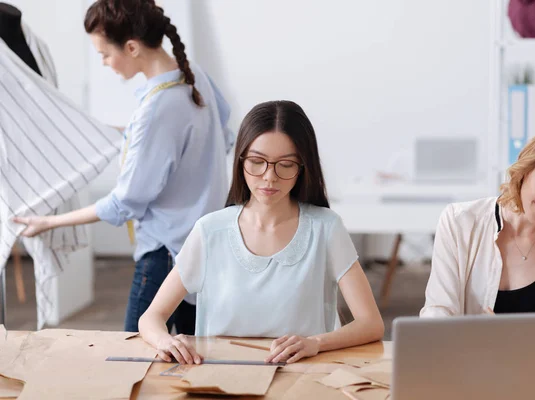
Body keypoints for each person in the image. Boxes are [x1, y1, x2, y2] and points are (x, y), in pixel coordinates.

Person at [13, 0, 233, 335]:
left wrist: (47, 221)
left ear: (131, 47)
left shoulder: (159, 107)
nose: (104, 63)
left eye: (104, 54)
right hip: (202, 246)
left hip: (165, 253)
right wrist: (120, 133)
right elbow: (219, 134)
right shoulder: (193, 77)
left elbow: (124, 202)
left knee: (134, 351)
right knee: (194, 351)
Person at [138, 100, 384, 364]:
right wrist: (166, 341)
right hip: (220, 380)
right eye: (257, 162)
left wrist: (315, 343)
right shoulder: (210, 231)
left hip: (302, 380)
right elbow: (151, 318)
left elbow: (371, 324)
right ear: (241, 160)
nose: (269, 177)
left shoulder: (326, 228)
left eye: (286, 164)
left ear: (303, 166)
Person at [421, 121, 535, 350]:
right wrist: (465, 332)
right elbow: (437, 312)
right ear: (525, 169)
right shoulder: (460, 222)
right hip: (472, 378)